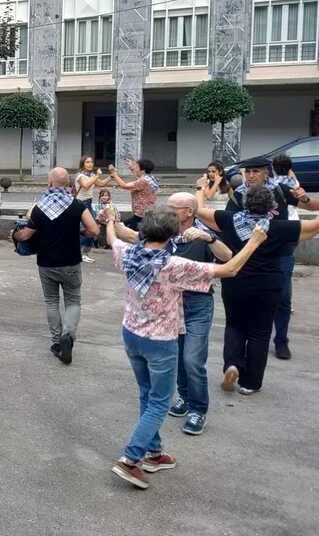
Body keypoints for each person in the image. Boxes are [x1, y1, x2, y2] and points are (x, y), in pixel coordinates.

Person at [104, 207, 266, 489]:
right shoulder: (173, 265)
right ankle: (130, 459)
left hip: (131, 333)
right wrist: (254, 241)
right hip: (160, 342)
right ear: (173, 234)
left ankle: (154, 453)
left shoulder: (129, 253)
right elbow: (229, 269)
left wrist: (110, 220)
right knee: (159, 402)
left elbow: (112, 238)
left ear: (144, 230)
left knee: (147, 393)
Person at [112, 193, 235, 436]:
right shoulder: (163, 232)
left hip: (197, 304)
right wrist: (112, 220)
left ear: (189, 212)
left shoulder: (202, 232)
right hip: (169, 307)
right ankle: (185, 397)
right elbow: (131, 237)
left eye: (173, 208)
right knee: (176, 355)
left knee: (192, 359)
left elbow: (227, 258)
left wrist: (209, 238)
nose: (167, 211)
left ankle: (198, 409)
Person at [196, 180, 319, 393]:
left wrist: (200, 188)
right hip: (268, 285)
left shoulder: (229, 219)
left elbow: (199, 210)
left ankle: (232, 364)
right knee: (260, 332)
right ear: (272, 206)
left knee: (234, 325)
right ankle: (250, 384)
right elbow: (314, 227)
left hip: (235, 281)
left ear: (245, 203)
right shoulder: (281, 227)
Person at [219, 155, 316, 361]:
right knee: (248, 299)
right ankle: (246, 340)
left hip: (281, 252)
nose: (250, 175)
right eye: (247, 172)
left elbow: (312, 207)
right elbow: (227, 225)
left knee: (283, 298)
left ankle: (281, 341)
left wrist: (305, 198)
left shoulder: (280, 190)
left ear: (266, 172)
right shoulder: (238, 194)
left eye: (255, 171)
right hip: (249, 255)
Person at [11, 167, 99, 365]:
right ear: (68, 183)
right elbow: (94, 230)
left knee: (51, 301)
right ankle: (68, 335)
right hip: (71, 262)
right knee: (73, 300)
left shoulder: (39, 207)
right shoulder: (77, 205)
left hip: (46, 263)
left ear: (50, 183)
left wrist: (14, 235)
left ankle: (57, 342)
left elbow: (25, 235)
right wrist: (80, 233)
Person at [108, 157, 159, 231]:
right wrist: (131, 167)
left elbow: (125, 185)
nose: (135, 168)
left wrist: (114, 174)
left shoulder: (143, 181)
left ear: (142, 170)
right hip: (147, 212)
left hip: (141, 214)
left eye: (136, 167)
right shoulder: (151, 178)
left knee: (121, 229)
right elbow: (137, 178)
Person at [75, 156, 109, 262]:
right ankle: (82, 253)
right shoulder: (80, 176)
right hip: (80, 203)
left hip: (88, 203)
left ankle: (82, 253)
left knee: (88, 229)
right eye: (87, 162)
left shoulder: (92, 176)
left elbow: (102, 183)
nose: (90, 164)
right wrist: (97, 175)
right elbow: (86, 185)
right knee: (90, 229)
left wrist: (112, 176)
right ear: (83, 164)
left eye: (91, 162)